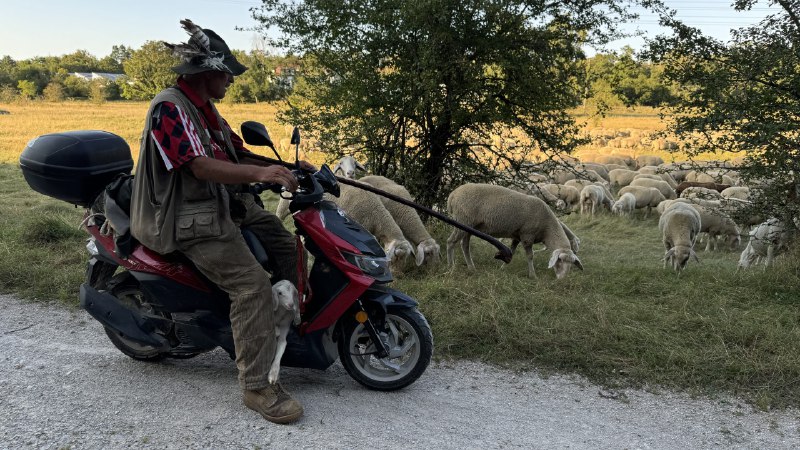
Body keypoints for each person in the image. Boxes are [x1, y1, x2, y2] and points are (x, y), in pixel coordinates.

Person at [130, 19, 308, 424]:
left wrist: (287, 166)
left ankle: (281, 331)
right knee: (251, 287)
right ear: (208, 72)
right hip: (185, 217)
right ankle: (257, 387)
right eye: (227, 72)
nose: (231, 80)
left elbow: (237, 155)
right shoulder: (169, 109)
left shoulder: (207, 110)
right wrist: (262, 176)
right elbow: (198, 166)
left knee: (287, 246)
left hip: (219, 205)